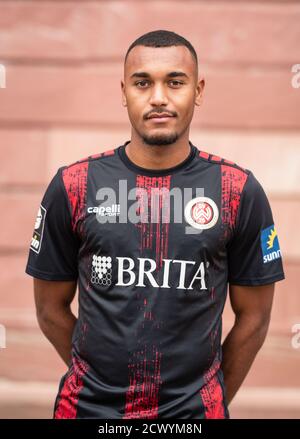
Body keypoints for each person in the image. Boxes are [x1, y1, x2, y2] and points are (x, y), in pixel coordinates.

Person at [25, 29, 285, 419]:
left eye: (175, 82)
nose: (159, 97)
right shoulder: (74, 185)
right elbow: (49, 309)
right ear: (124, 91)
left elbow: (255, 318)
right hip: (87, 412)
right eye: (142, 82)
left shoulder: (238, 190)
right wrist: (98, 380)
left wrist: (206, 401)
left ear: (197, 91)